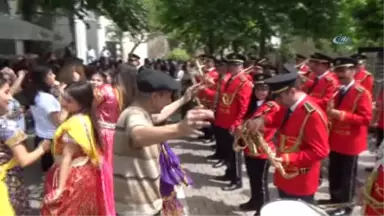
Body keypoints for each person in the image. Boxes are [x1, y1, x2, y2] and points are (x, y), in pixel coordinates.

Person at [113, 68, 214, 216]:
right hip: (137, 209)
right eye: (168, 97)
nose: (169, 101)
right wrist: (179, 128)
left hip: (140, 205)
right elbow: (138, 135)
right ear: (154, 97)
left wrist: (184, 99)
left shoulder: (141, 112)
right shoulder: (133, 116)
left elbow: (161, 115)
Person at [247, 64, 329, 203]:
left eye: (279, 97)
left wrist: (287, 158)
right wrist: (261, 120)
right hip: (285, 174)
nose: (277, 102)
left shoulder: (312, 114)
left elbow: (321, 152)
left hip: (301, 179)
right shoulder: (289, 105)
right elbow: (277, 118)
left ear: (291, 91)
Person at [41, 82, 107, 215]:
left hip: (72, 175)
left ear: (81, 103)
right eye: (63, 97)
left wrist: (60, 189)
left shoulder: (74, 125)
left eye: (68, 101)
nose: (63, 102)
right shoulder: (86, 118)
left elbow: (67, 157)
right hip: (86, 172)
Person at [320, 57, 372, 216]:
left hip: (350, 140)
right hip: (335, 138)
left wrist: (340, 115)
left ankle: (346, 206)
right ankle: (335, 198)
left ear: (353, 71)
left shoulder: (361, 93)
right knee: (334, 171)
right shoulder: (338, 90)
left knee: (347, 177)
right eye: (338, 71)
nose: (340, 74)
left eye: (343, 70)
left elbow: (366, 118)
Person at [0, 72, 51, 216]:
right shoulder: (7, 126)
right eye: (6, 92)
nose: (10, 97)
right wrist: (42, 148)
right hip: (8, 182)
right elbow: (24, 159)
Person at [237, 73, 280, 216]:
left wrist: (256, 128)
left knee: (261, 181)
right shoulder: (253, 104)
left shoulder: (272, 106)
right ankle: (254, 201)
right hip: (250, 146)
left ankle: (263, 209)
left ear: (269, 91)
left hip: (262, 147)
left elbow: (272, 126)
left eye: (264, 89)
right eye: (258, 89)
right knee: (252, 177)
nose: (261, 92)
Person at [213, 53, 253, 191]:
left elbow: (244, 106)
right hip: (224, 119)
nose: (231, 67)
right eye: (230, 64)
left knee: (234, 153)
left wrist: (237, 123)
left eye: (234, 65)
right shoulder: (229, 79)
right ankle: (229, 173)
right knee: (227, 150)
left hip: (233, 122)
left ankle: (236, 180)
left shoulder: (244, 82)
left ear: (240, 66)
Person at [25, 66, 68, 172]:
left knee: (48, 173)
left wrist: (59, 92)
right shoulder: (47, 98)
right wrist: (67, 108)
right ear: (44, 79)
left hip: (41, 136)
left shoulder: (35, 95)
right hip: (53, 139)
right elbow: (58, 122)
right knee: (56, 173)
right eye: (51, 74)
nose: (54, 76)